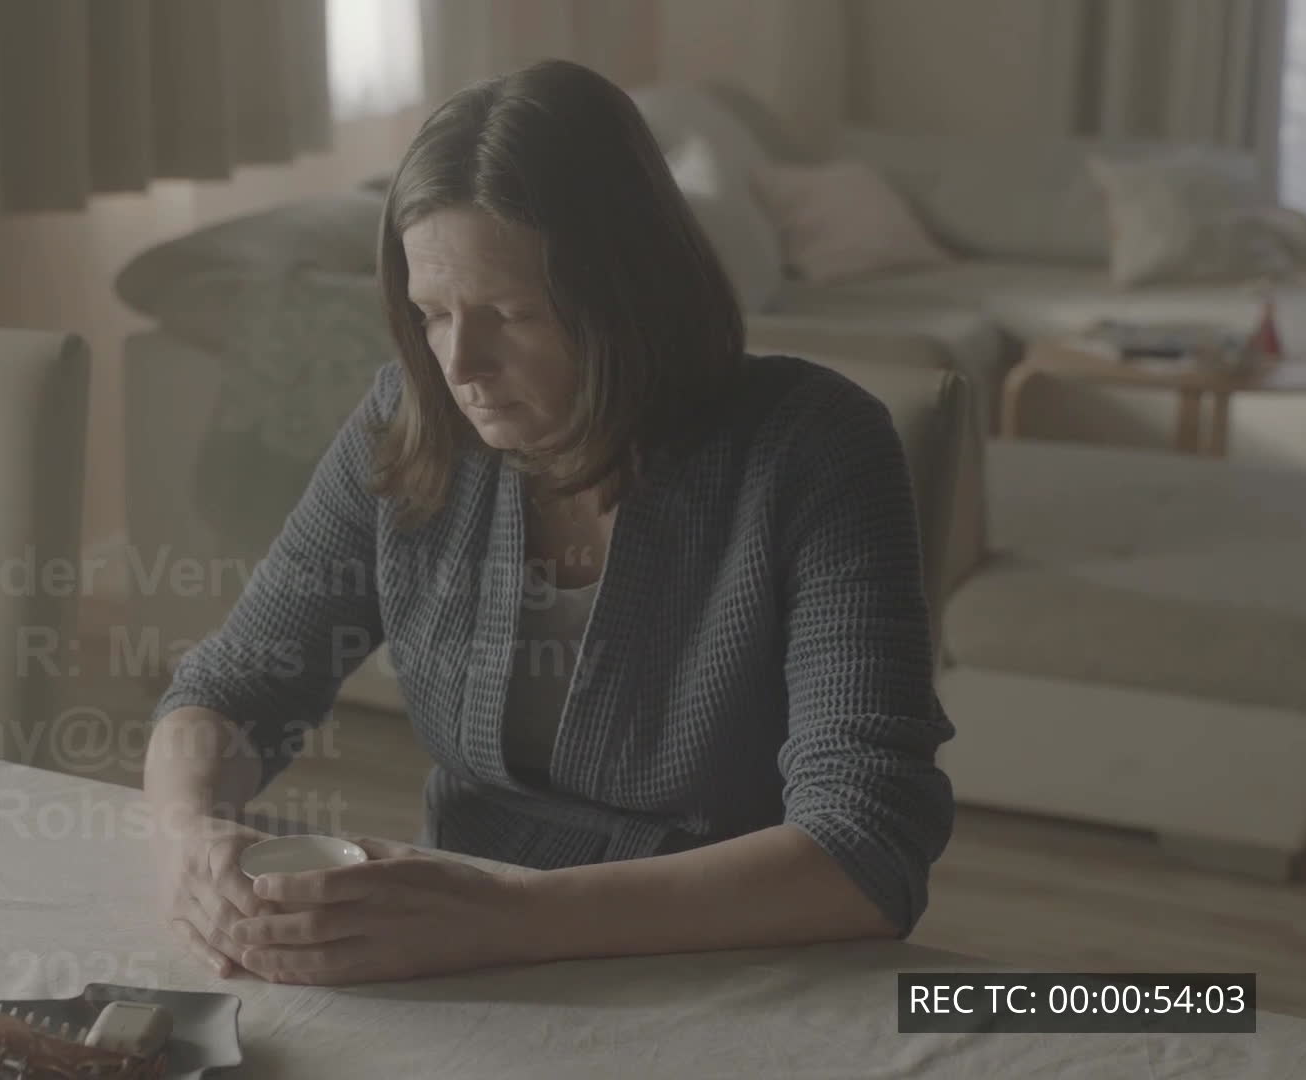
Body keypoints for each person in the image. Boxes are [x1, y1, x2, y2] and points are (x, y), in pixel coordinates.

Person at [143, 58, 954, 987]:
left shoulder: (812, 447)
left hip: (723, 961)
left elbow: (865, 847)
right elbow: (235, 686)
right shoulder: (409, 423)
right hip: (460, 962)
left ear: (630, 294)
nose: (461, 363)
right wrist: (186, 837)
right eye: (432, 314)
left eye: (512, 313)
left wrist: (501, 917)